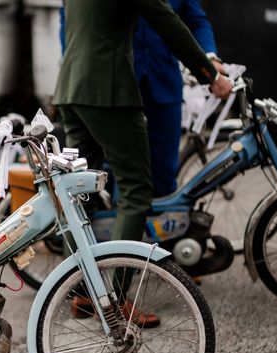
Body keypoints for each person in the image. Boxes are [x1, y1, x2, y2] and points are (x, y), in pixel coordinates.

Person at [54, 0, 233, 245]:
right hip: (110, 89)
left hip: (72, 87)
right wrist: (209, 75)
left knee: (80, 192)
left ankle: (74, 281)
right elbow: (166, 21)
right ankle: (118, 280)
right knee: (135, 190)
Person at [135, 0, 224, 197]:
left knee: (165, 169)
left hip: (164, 81)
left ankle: (163, 223)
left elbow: (197, 20)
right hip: (121, 82)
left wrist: (209, 57)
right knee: (116, 170)